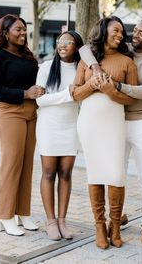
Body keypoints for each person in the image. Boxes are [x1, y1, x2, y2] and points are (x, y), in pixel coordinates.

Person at [79, 19, 142, 244]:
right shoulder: (124, 49)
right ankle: (116, 218)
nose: (135, 35)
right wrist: (96, 68)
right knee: (117, 172)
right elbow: (85, 49)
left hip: (141, 121)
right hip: (115, 122)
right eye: (134, 31)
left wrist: (114, 87)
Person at [72, 16, 138, 249]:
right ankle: (99, 227)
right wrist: (92, 85)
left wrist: (110, 90)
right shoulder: (86, 60)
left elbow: (131, 99)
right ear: (103, 30)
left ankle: (116, 227)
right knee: (95, 173)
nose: (120, 34)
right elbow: (75, 93)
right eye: (115, 30)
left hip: (114, 124)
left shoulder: (127, 62)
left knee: (116, 174)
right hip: (89, 123)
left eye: (122, 32)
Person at [0, 14, 44, 236]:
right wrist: (25, 93)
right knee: (11, 164)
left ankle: (23, 213)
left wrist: (38, 90)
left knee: (27, 164)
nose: (22, 33)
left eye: (24, 29)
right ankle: (5, 216)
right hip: (9, 112)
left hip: (31, 113)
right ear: (6, 31)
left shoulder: (28, 57)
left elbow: (34, 83)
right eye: (18, 29)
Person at [35, 31, 83, 241]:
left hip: (71, 126)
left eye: (68, 42)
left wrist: (73, 94)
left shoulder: (80, 69)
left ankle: (63, 220)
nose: (62, 45)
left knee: (65, 173)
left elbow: (81, 96)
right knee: (48, 173)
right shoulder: (46, 67)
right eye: (60, 41)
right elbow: (40, 100)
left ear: (77, 46)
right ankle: (51, 221)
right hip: (49, 126)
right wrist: (67, 94)